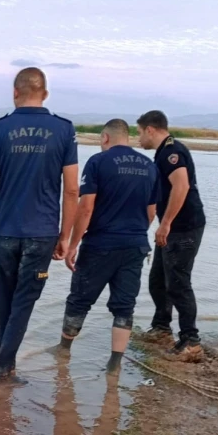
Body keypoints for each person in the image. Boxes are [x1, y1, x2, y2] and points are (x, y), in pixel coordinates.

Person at [0, 67, 79, 382]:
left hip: (4, 230)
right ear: (45, 94)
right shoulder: (64, 130)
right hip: (42, 232)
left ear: (14, 92)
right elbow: (73, 189)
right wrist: (66, 236)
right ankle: (2, 369)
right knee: (23, 302)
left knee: (5, 300)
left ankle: (5, 367)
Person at [58, 119, 159, 373]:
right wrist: (134, 233)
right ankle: (114, 363)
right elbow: (151, 211)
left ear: (105, 138)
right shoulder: (149, 166)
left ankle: (63, 353)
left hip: (100, 244)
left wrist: (72, 244)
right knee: (125, 305)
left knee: (80, 299)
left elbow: (86, 207)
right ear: (128, 137)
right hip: (135, 245)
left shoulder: (97, 162)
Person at [136, 111, 206, 361]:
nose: (138, 138)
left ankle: (191, 341)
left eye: (139, 132)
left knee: (178, 283)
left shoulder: (171, 151)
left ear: (150, 130)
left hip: (184, 227)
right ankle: (161, 327)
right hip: (172, 228)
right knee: (158, 280)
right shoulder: (163, 152)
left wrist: (165, 224)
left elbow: (182, 186)